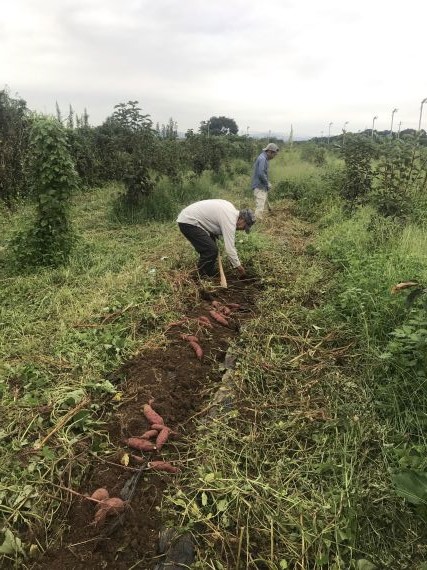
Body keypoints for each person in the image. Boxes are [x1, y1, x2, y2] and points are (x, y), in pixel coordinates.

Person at [177, 199, 256, 279]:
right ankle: (201, 277)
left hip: (190, 218)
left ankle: (209, 272)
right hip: (189, 221)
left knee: (211, 247)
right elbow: (230, 249)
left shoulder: (230, 210)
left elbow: (212, 220)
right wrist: (239, 267)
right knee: (211, 250)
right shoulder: (230, 220)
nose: (242, 229)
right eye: (244, 226)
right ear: (242, 219)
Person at [251, 142, 279, 218]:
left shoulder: (263, 157)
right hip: (260, 187)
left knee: (262, 203)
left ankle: (269, 213)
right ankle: (257, 224)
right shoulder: (263, 159)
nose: (274, 157)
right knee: (259, 208)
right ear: (270, 152)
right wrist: (267, 183)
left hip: (261, 186)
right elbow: (261, 173)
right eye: (274, 154)